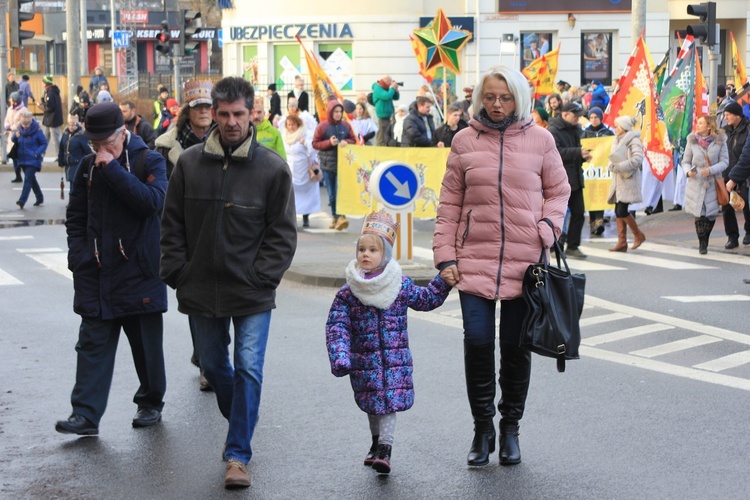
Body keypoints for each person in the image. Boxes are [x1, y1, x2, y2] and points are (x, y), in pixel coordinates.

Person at [160, 76, 297, 489]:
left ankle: (238, 454)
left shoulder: (272, 168)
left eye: (239, 113)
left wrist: (262, 276)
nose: (232, 122)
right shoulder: (189, 163)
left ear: (252, 112)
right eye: (224, 114)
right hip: (200, 288)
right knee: (215, 365)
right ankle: (241, 416)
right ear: (213, 116)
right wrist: (178, 272)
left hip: (252, 291)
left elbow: (283, 234)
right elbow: (171, 226)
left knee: (248, 368)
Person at [433, 65, 570, 468]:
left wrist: (548, 227)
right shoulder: (463, 142)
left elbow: (559, 191)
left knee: (514, 349)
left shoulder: (541, 140)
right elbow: (449, 205)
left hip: (525, 266)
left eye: (505, 97)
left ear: (519, 99)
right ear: (479, 98)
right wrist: (445, 256)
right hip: (472, 262)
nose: (496, 104)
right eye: (490, 97)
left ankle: (510, 427)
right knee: (477, 345)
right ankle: (482, 428)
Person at [54, 101, 168, 436]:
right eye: (95, 145)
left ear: (125, 133)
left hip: (139, 271)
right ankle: (85, 415)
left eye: (108, 144)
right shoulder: (87, 167)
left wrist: (114, 169)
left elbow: (152, 203)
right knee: (91, 344)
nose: (101, 151)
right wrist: (78, 256)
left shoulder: (151, 159)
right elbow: (76, 218)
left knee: (146, 348)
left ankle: (150, 403)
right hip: (96, 270)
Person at [326, 211, 451, 474]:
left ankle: (385, 449)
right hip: (365, 361)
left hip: (394, 363)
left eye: (373, 249)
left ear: (386, 254)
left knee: (389, 404)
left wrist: (443, 282)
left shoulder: (399, 285)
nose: (366, 254)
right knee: (373, 406)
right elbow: (338, 326)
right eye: (362, 249)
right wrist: (340, 355)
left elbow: (426, 299)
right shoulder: (349, 293)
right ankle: (375, 444)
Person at [547, 101, 592, 258]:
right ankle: (554, 247)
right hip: (559, 179)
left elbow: (577, 151)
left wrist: (585, 155)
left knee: (579, 213)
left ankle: (573, 246)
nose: (578, 119)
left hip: (575, 178)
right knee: (558, 215)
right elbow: (556, 153)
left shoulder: (577, 130)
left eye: (579, 116)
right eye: (575, 116)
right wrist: (578, 153)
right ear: (565, 114)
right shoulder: (553, 130)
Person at [682, 115, 729, 254]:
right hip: (696, 182)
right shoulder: (692, 141)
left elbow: (725, 162)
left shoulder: (720, 141)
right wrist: (688, 172)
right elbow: (685, 161)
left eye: (701, 123)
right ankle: (702, 243)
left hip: (713, 183)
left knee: (711, 215)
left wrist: (711, 170)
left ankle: (706, 238)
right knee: (699, 213)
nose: (697, 124)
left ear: (709, 126)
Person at [156, 79, 216, 179]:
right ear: (187, 113)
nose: (203, 111)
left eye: (208, 106)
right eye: (197, 107)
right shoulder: (165, 147)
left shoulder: (225, 143)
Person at [312, 99, 356, 230]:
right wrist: (328, 143)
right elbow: (315, 143)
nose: (338, 114)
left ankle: (341, 216)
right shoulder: (322, 126)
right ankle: (335, 217)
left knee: (341, 192)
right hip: (327, 164)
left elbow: (354, 139)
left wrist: (346, 141)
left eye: (340, 111)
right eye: (336, 111)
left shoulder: (346, 126)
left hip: (343, 164)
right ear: (330, 112)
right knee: (331, 193)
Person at [606, 116, 646, 251]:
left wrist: (619, 167)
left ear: (624, 127)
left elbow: (637, 160)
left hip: (628, 180)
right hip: (618, 180)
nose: (615, 128)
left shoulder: (633, 140)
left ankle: (638, 235)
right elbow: (612, 157)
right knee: (618, 210)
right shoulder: (616, 139)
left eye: (617, 126)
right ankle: (622, 242)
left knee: (622, 210)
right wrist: (611, 165)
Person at [282, 114, 320, 228]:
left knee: (305, 194)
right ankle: (292, 218)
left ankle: (305, 217)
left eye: (293, 124)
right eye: (289, 125)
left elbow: (313, 150)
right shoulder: (284, 135)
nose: (291, 127)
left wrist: (304, 143)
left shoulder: (305, 134)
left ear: (298, 124)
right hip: (290, 169)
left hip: (303, 168)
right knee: (291, 194)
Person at [581, 106, 614, 236]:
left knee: (600, 193)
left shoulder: (607, 132)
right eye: (591, 117)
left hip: (602, 169)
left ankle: (599, 221)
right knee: (591, 194)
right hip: (589, 170)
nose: (594, 120)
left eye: (596, 117)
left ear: (601, 118)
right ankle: (593, 220)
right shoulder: (585, 133)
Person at [722, 101, 750, 248]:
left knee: (746, 204)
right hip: (726, 173)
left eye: (728, 115)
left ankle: (749, 232)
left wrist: (738, 174)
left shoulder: (747, 130)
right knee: (727, 206)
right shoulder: (724, 131)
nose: (726, 118)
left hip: (743, 174)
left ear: (737, 115)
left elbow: (746, 157)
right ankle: (732, 237)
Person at [12, 109, 47, 208]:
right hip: (22, 159)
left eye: (27, 123)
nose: (25, 126)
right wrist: (15, 136)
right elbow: (14, 140)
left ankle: (22, 200)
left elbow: (43, 143)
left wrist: (37, 153)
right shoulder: (19, 130)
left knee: (27, 179)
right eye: (23, 123)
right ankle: (39, 197)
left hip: (33, 159)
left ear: (31, 121)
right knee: (32, 180)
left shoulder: (37, 130)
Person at [57, 114, 90, 196]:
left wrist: (87, 163)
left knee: (74, 182)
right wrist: (60, 160)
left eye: (73, 124)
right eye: (69, 124)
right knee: (71, 181)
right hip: (68, 164)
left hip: (78, 163)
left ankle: (72, 200)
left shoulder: (82, 136)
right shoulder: (65, 134)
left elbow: (88, 150)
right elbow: (61, 148)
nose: (71, 127)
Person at [5, 91, 26, 183]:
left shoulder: (23, 110)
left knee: (19, 156)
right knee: (14, 156)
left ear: (15, 100)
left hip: (19, 136)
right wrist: (7, 126)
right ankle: (18, 176)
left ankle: (26, 174)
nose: (9, 100)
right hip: (11, 136)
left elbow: (21, 123)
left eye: (11, 99)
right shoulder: (10, 109)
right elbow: (6, 119)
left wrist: (11, 127)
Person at [371, 75, 400, 146]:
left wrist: (396, 90)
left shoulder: (386, 88)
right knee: (382, 135)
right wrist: (392, 88)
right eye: (390, 82)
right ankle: (380, 148)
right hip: (382, 116)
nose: (391, 84)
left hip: (389, 115)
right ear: (386, 81)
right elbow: (387, 96)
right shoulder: (378, 88)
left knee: (388, 134)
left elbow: (396, 98)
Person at [40, 75, 63, 157]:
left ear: (46, 83)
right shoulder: (53, 91)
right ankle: (41, 153)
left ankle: (59, 155)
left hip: (52, 119)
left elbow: (50, 107)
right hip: (50, 119)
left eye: (43, 82)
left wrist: (42, 106)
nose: (42, 84)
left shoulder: (51, 93)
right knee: (45, 138)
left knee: (55, 139)